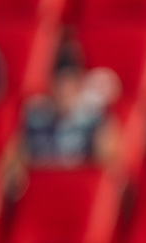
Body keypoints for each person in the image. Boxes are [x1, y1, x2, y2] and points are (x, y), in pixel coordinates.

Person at [7, 44, 122, 176]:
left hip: (78, 189)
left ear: (79, 83)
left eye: (69, 83)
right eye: (60, 82)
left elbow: (110, 165)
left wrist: (104, 140)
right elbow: (15, 156)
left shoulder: (96, 119)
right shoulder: (34, 117)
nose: (64, 90)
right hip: (42, 187)